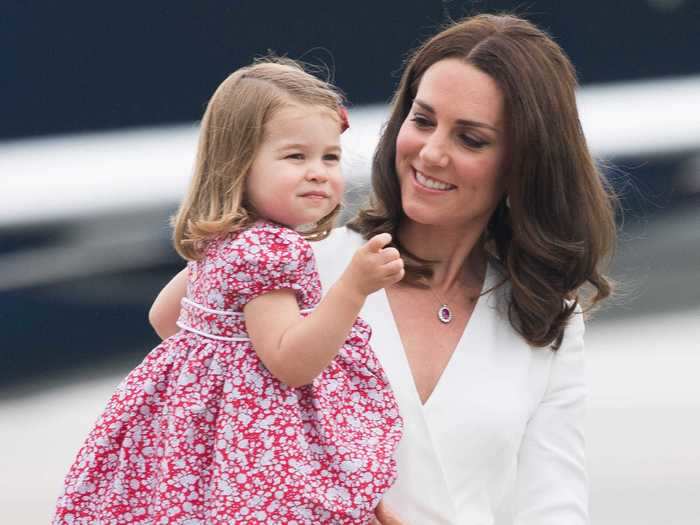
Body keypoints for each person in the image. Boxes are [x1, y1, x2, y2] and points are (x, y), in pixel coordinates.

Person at [151, 13, 617, 525]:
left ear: (524, 162)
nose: (431, 152)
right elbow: (181, 339)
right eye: (422, 120)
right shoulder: (296, 260)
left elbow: (553, 504)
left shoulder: (547, 317)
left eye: (471, 139)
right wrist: (340, 496)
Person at [53, 59, 405, 525]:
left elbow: (164, 319)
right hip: (263, 462)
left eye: (330, 157)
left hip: (196, 449)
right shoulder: (272, 249)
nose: (318, 172)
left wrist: (219, 383)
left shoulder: (221, 239)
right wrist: (354, 288)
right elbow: (292, 364)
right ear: (237, 164)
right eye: (295, 157)